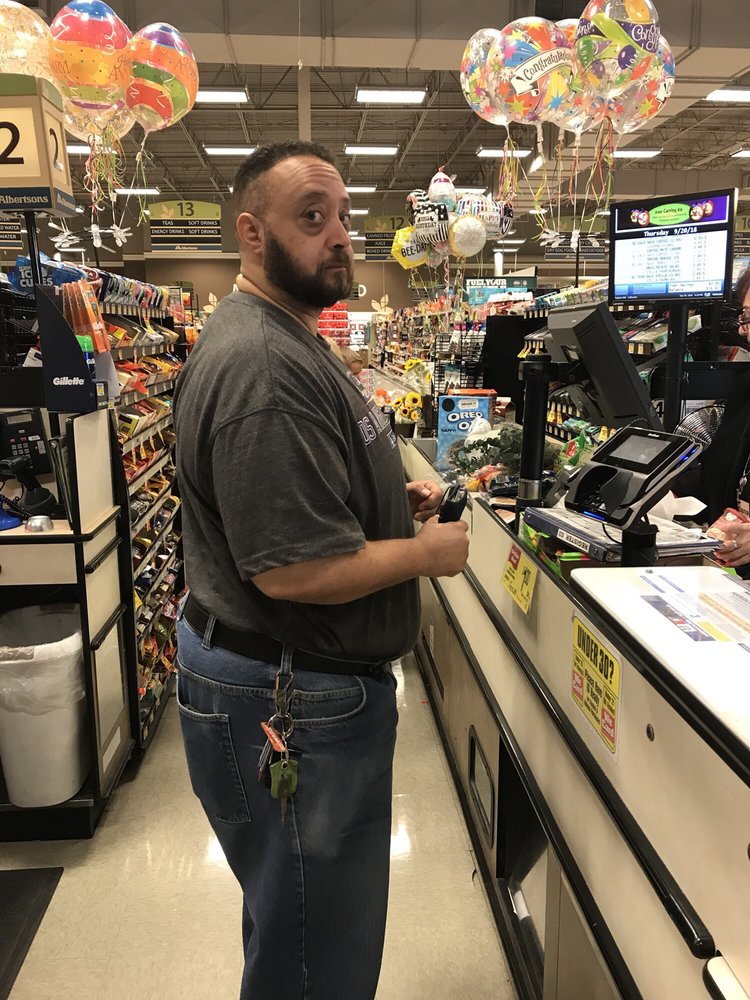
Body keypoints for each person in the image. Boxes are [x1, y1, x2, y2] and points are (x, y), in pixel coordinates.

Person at [172, 140, 469, 1000]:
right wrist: (425, 555)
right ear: (252, 234)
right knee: (317, 954)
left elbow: (283, 507)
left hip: (284, 680)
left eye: (343, 216)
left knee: (293, 916)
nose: (339, 235)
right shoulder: (265, 365)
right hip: (292, 696)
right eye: (311, 217)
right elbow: (293, 572)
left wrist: (379, 506)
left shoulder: (279, 334)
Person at [677, 267, 750, 569]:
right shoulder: (745, 388)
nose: (742, 330)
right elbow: (720, 471)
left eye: (748, 318)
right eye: (744, 317)